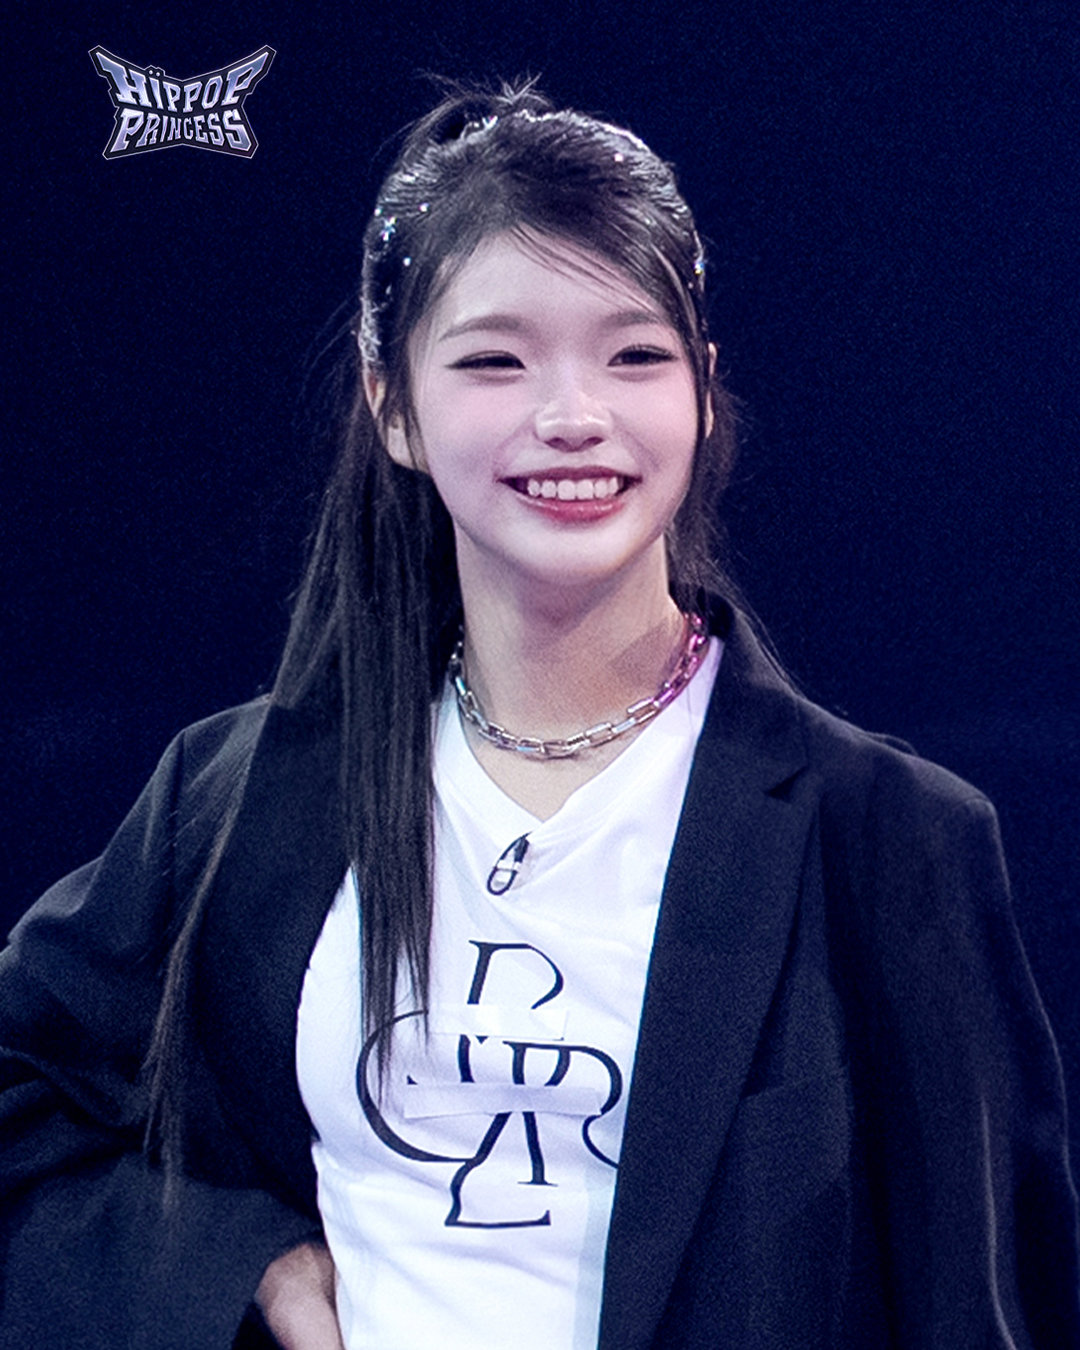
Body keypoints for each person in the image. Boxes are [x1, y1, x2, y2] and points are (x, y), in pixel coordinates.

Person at [1, 82, 1077, 1350]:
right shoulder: (247, 796)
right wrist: (251, 1269)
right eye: (494, 361)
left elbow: (980, 1304)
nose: (573, 416)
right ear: (392, 406)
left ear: (704, 391)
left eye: (634, 356)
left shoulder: (888, 842)